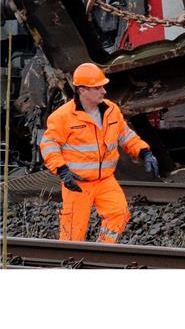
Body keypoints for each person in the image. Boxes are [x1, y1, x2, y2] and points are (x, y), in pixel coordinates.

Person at [39, 62, 160, 243]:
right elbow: (49, 145)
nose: (103, 91)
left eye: (103, 86)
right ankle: (68, 265)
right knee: (73, 235)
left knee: (119, 214)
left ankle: (104, 249)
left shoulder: (111, 110)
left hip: (105, 180)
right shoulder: (62, 116)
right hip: (78, 183)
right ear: (82, 90)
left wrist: (144, 152)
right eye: (97, 87)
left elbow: (125, 136)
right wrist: (62, 171)